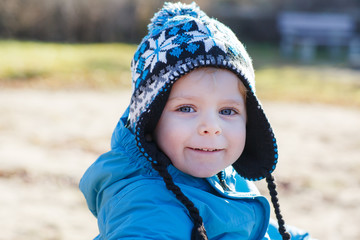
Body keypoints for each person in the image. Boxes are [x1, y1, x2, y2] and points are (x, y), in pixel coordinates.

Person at [80, 2, 316, 240]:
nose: (211, 127)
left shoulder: (221, 176)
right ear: (149, 120)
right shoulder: (148, 204)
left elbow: (257, 229)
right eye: (186, 108)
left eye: (227, 111)